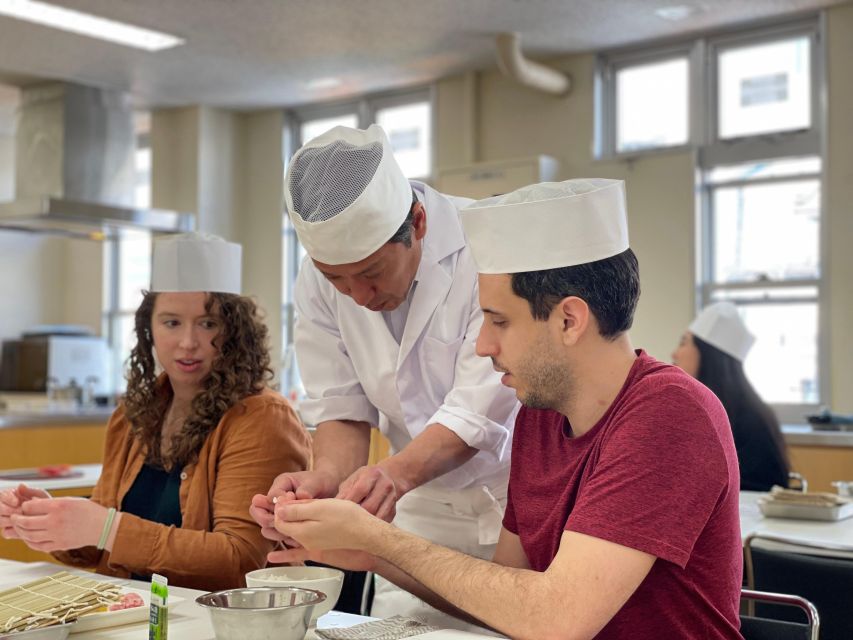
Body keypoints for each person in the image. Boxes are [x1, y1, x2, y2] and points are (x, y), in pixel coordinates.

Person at [269, 179, 744, 639]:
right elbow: (503, 599)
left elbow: (556, 620)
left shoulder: (669, 414)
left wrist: (381, 540)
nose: (482, 345)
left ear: (569, 320)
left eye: (498, 321)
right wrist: (372, 555)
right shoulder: (541, 417)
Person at [250, 124, 518, 627]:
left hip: (510, 508)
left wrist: (391, 475)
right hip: (411, 513)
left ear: (418, 222)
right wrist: (324, 479)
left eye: (371, 273)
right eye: (336, 278)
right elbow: (342, 405)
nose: (358, 296)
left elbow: (477, 413)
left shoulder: (483, 248)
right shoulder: (316, 280)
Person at [0, 233, 311, 591]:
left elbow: (240, 560)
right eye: (171, 322)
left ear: (234, 330)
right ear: (148, 329)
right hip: (131, 610)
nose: (188, 342)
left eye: (208, 323)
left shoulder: (262, 418)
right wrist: (53, 520)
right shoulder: (132, 415)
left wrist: (108, 527)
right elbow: (99, 548)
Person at [672, 301, 790, 491]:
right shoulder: (693, 407)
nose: (674, 354)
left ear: (707, 354)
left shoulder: (749, 419)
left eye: (683, 342)